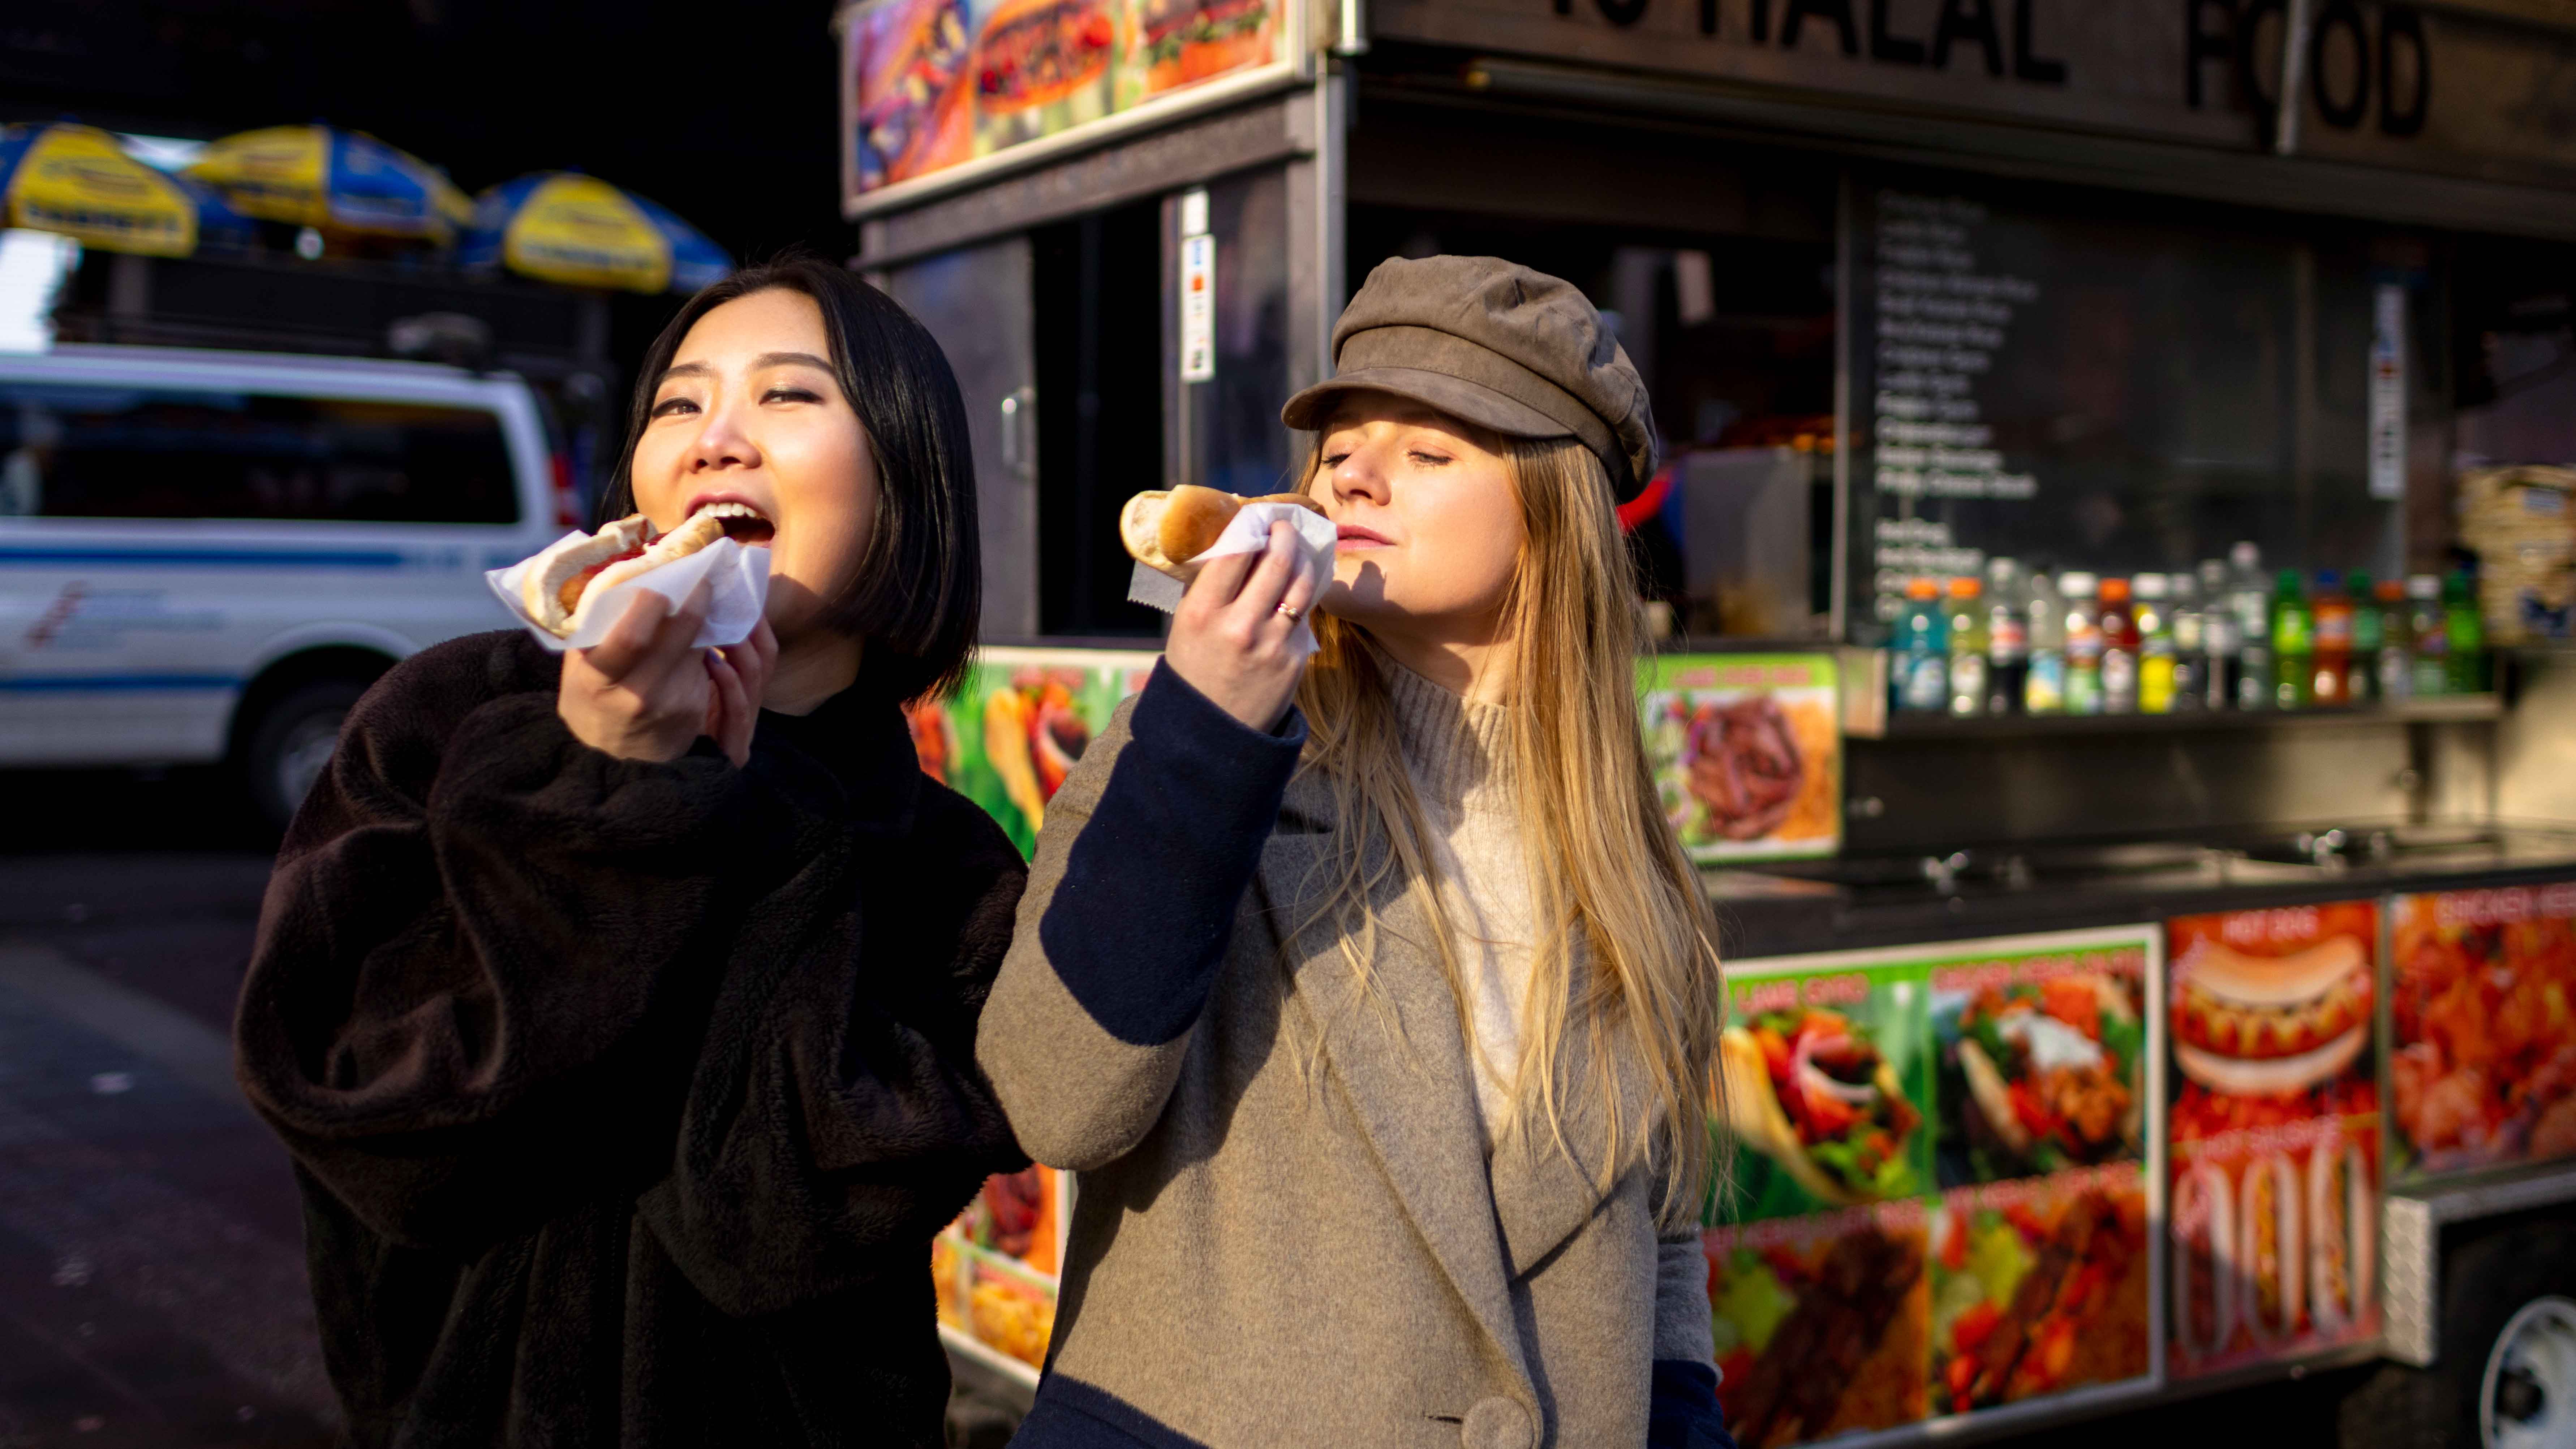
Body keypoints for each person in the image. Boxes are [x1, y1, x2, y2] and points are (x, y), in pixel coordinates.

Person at [234, 256, 1025, 1448]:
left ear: (908, 480)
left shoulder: (951, 873)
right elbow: (384, 1138)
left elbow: (769, 1229)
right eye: (677, 403)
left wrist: (732, 810)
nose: (715, 439)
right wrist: (598, 791)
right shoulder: (443, 723)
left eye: (789, 396)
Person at [978, 255, 1736, 1449]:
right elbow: (1052, 1099)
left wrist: (1685, 1422)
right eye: (1338, 447)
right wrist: (1202, 729)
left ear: (1554, 519)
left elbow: (1659, 1228)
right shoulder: (1205, 754)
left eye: (1430, 452)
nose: (1354, 475)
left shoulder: (1632, 864)